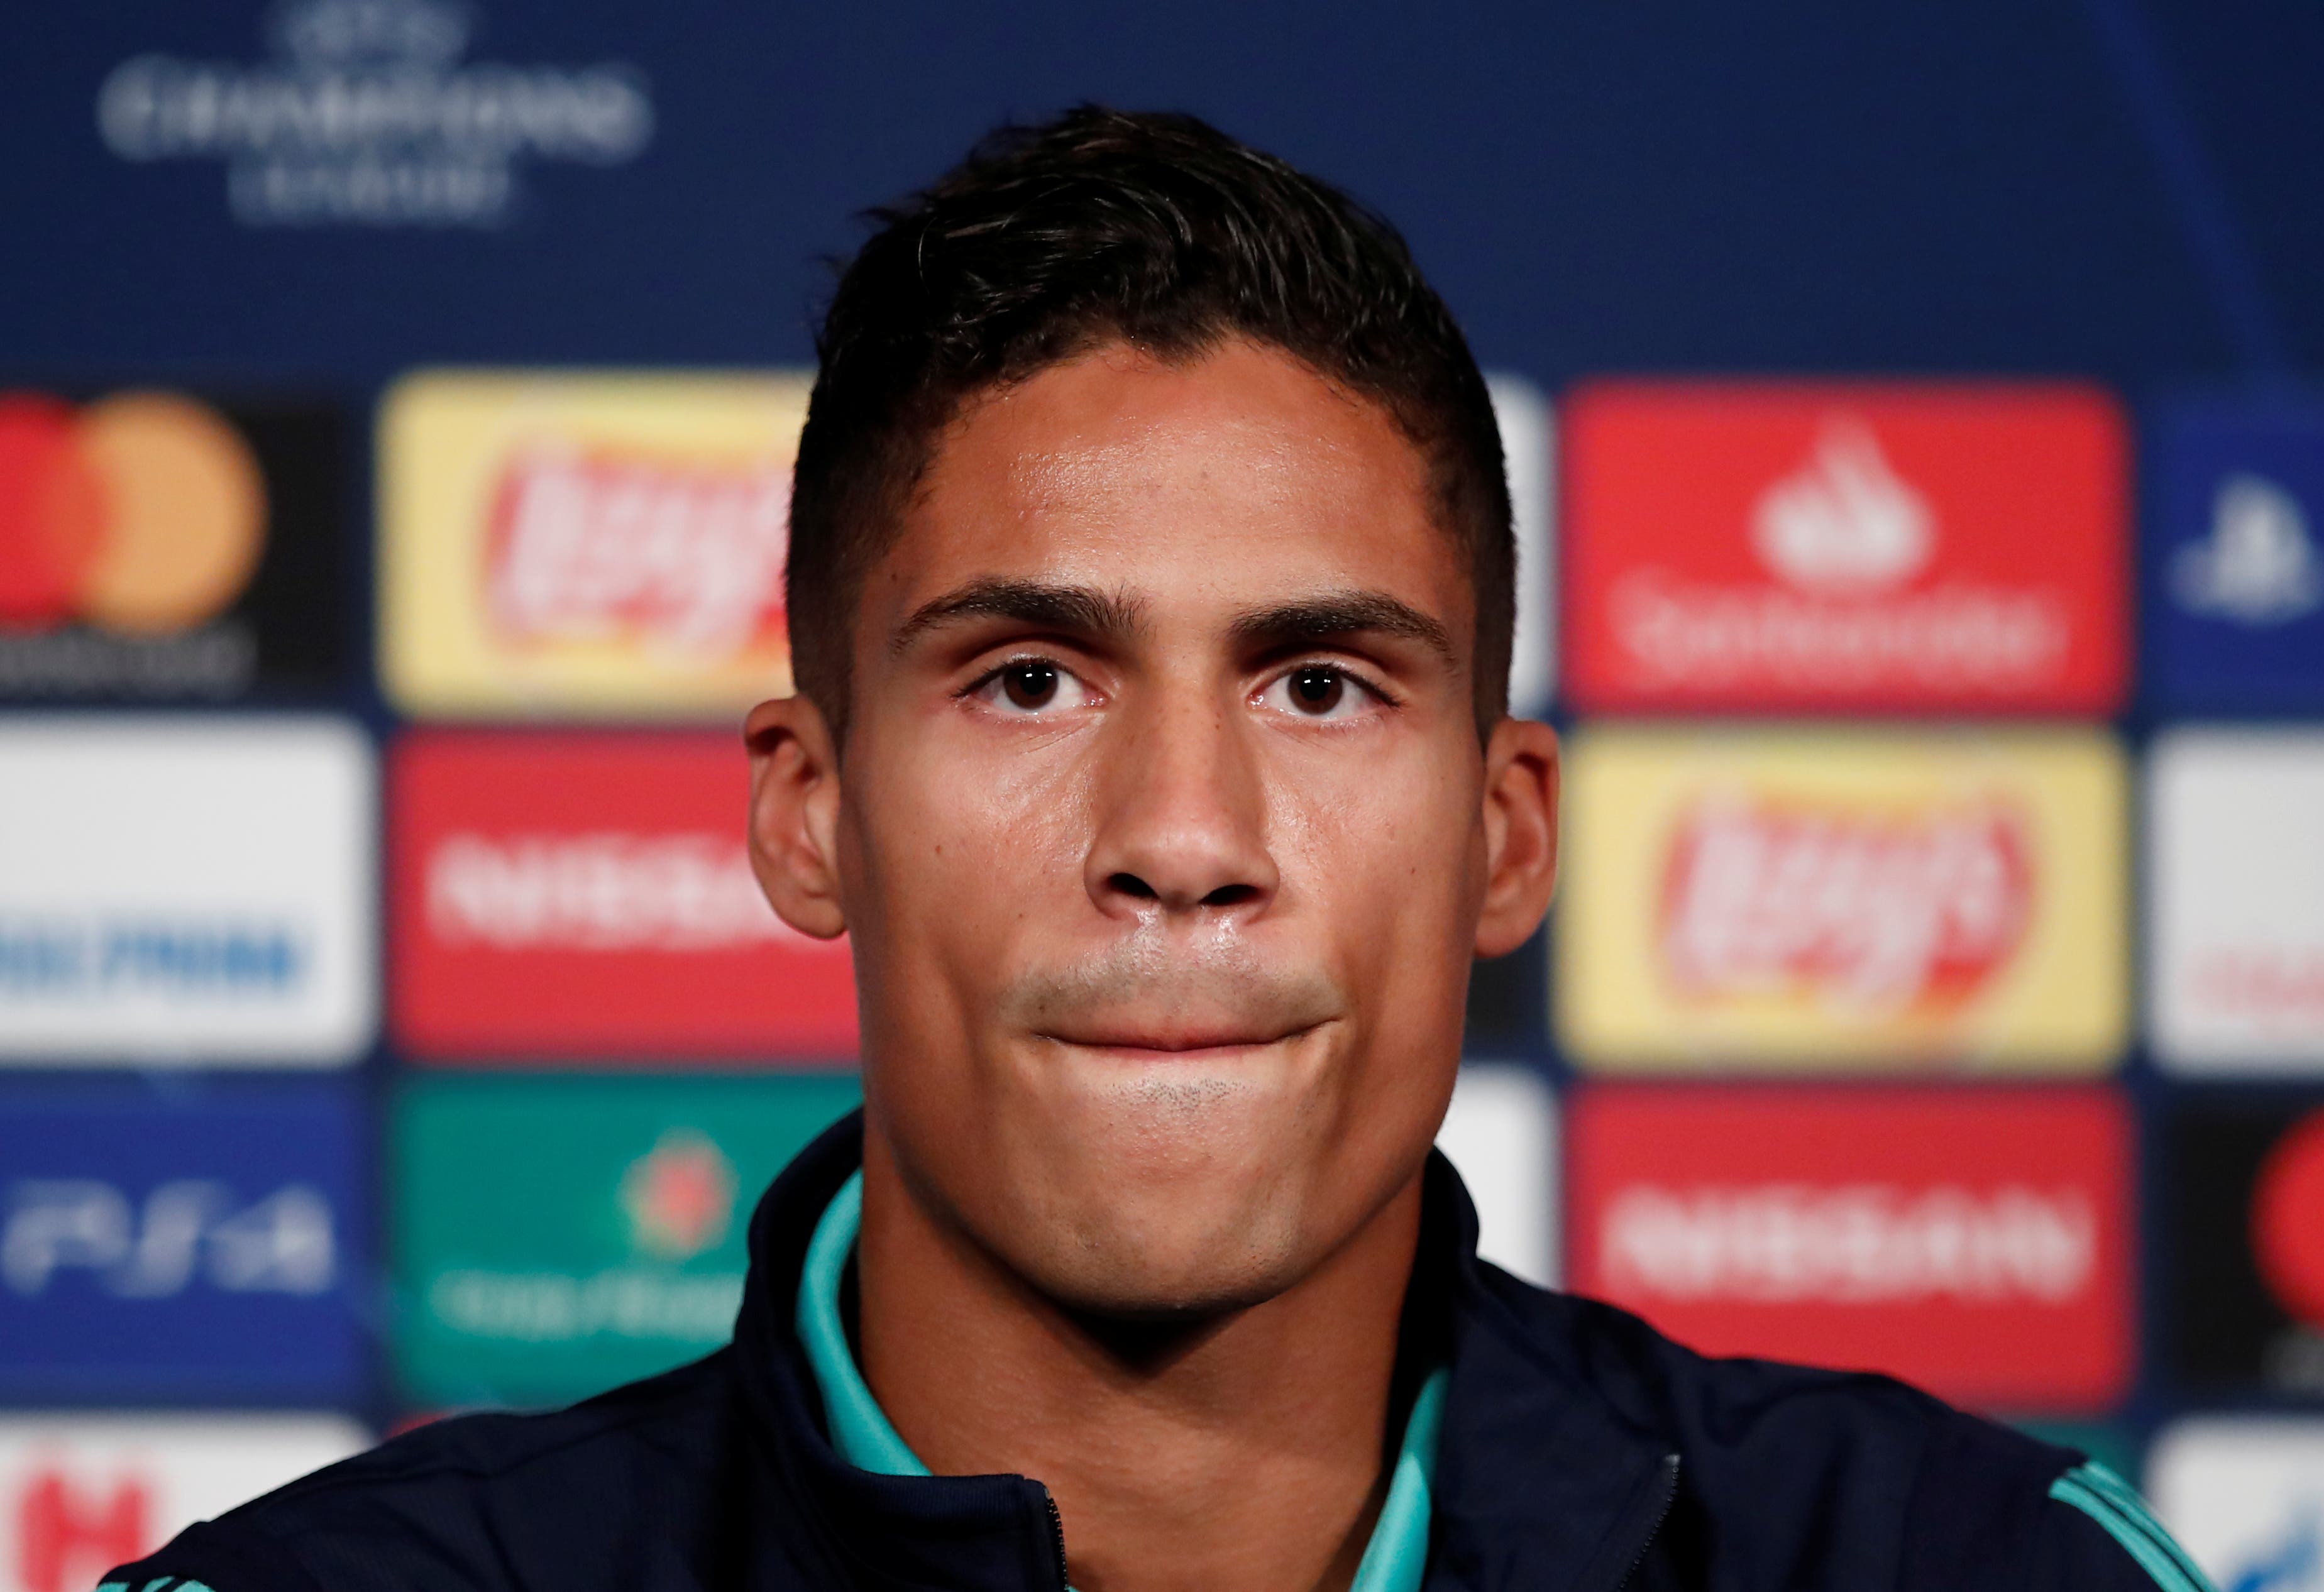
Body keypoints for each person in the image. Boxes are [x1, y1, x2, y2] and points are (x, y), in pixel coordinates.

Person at [108, 107, 2207, 1592]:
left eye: (1319, 685)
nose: (1182, 842)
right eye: (1030, 680)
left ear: (1504, 836)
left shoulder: (1958, 1567)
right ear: (806, 811)